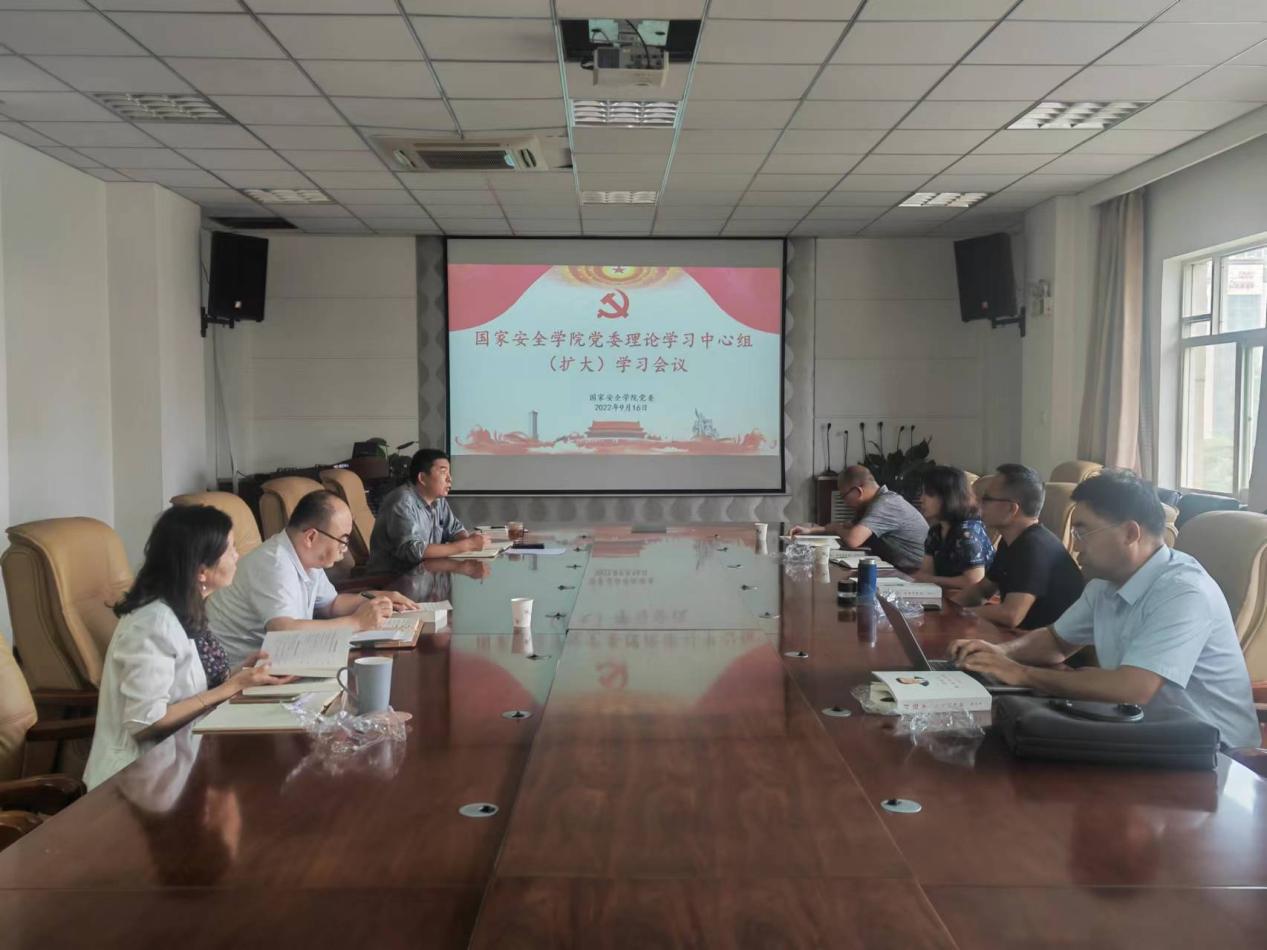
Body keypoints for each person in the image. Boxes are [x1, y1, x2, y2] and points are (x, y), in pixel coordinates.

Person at [951, 469, 1260, 749]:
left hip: (1214, 752)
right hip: (1145, 729)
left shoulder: (1182, 592)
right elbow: (1055, 642)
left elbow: (1133, 689)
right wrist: (999, 653)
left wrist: (1021, 674)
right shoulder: (1105, 584)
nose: (1076, 545)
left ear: (1130, 533)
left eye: (1082, 532)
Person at [85, 506, 292, 789]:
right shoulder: (153, 622)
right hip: (138, 780)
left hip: (184, 758)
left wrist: (239, 673)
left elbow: (185, 683)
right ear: (201, 570)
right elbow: (145, 722)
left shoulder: (186, 605)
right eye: (230, 549)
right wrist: (231, 687)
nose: (237, 556)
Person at [209, 490, 416, 667]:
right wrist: (356, 622)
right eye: (342, 540)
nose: (344, 549)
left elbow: (332, 605)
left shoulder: (306, 559)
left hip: (277, 662)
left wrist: (375, 599)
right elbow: (284, 632)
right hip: (238, 674)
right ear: (311, 537)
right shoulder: (274, 563)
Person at [950, 463, 1083, 630]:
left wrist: (961, 613)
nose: (979, 504)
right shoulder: (1010, 541)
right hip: (1025, 636)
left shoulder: (1034, 547)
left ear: (1011, 509)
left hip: (1048, 642)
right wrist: (946, 607)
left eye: (987, 499)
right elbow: (982, 590)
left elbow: (1011, 615)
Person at [367, 448, 487, 573]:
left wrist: (467, 539)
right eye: (443, 472)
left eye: (449, 473)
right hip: (394, 578)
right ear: (422, 478)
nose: (449, 479)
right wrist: (466, 545)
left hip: (425, 573)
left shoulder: (439, 501)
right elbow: (412, 551)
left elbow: (454, 529)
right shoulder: (402, 501)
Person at [789, 465, 928, 571]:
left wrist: (836, 529)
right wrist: (811, 531)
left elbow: (853, 539)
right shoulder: (874, 502)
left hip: (913, 573)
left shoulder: (885, 504)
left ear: (858, 491)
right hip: (897, 568)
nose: (844, 502)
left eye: (844, 496)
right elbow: (848, 527)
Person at [911, 465, 994, 591]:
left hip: (977, 600)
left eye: (929, 494)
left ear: (949, 496)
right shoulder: (936, 531)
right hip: (949, 595)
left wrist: (931, 580)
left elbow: (974, 581)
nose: (921, 499)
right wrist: (927, 579)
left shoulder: (967, 533)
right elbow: (926, 573)